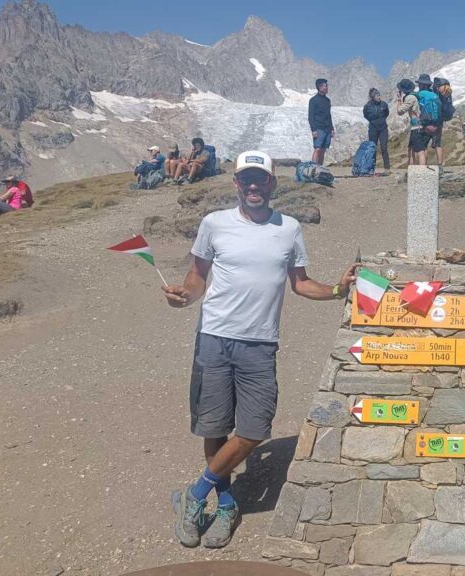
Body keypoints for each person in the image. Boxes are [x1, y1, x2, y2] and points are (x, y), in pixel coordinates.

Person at [163, 150, 357, 549]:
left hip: (260, 343)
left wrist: (339, 290)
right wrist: (185, 297)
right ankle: (227, 502)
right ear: (236, 183)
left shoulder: (288, 229)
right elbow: (197, 276)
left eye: (261, 180)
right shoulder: (213, 224)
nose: (254, 186)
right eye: (246, 180)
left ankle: (195, 494)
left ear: (272, 183)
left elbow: (300, 283)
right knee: (215, 427)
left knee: (253, 430)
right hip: (215, 337)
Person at [415, 74, 441, 167]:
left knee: (423, 147)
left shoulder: (419, 94)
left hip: (425, 124)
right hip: (436, 124)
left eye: (420, 84)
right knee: (438, 145)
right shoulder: (435, 95)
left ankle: (423, 167)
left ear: (422, 85)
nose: (419, 86)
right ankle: (440, 165)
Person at [395, 79, 423, 166]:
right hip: (416, 126)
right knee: (411, 149)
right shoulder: (414, 96)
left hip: (417, 127)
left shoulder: (410, 98)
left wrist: (399, 100)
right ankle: (412, 170)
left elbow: (400, 111)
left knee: (420, 150)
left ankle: (422, 171)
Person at [308, 78, 334, 167]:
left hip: (327, 128)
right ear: (319, 87)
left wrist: (332, 128)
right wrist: (313, 130)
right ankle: (313, 169)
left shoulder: (327, 100)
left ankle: (320, 168)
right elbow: (310, 116)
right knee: (317, 148)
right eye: (325, 86)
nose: (327, 87)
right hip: (318, 128)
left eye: (327, 86)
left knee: (323, 149)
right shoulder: (313, 100)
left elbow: (329, 115)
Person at [362, 88, 390, 170]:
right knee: (372, 147)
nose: (378, 97)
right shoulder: (367, 106)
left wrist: (381, 120)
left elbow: (386, 113)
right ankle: (371, 168)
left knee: (384, 147)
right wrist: (373, 120)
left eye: (379, 95)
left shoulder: (384, 104)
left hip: (383, 128)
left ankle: (387, 168)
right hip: (373, 129)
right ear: (372, 96)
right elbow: (365, 115)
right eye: (376, 95)